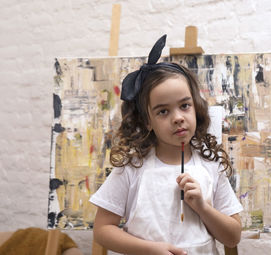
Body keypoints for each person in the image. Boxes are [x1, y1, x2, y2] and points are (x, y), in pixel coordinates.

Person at [89, 35, 243, 255]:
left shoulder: (211, 166)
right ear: (147, 121)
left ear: (196, 108)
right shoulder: (132, 168)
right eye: (163, 111)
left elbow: (233, 236)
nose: (178, 117)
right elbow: (103, 230)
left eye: (184, 106)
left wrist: (202, 207)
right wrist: (150, 250)